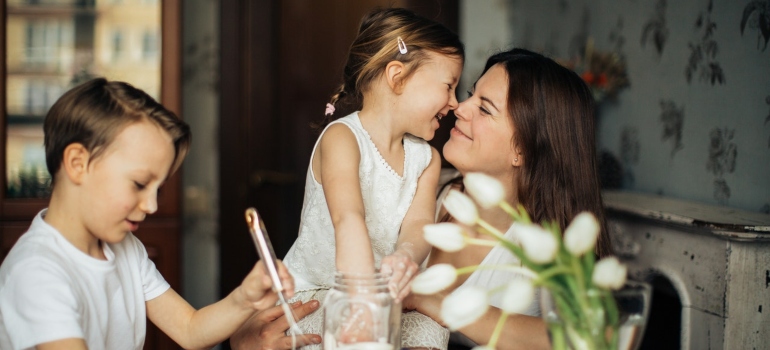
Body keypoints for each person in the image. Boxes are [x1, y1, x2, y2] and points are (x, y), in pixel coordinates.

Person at [0, 78, 294, 350]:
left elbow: (189, 329)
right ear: (78, 163)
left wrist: (244, 299)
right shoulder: (36, 273)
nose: (151, 206)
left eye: (158, 188)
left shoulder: (125, 248)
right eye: (139, 184)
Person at [402, 47, 613, 350]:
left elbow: (596, 337)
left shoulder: (547, 243)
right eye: (471, 95)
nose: (460, 107)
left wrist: (450, 307)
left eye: (485, 109)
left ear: (523, 150)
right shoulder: (425, 187)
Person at [279, 7, 464, 350]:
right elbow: (348, 219)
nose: (454, 103)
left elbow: (420, 223)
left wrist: (406, 257)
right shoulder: (342, 139)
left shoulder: (427, 159)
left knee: (430, 329)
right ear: (398, 77)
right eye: (449, 86)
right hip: (319, 293)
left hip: (382, 297)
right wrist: (362, 305)